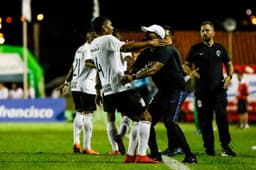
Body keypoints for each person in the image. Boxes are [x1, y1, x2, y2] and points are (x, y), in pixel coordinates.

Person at [90, 16, 165, 163]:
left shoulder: (94, 43)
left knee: (137, 120)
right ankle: (141, 155)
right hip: (120, 88)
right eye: (110, 25)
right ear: (104, 28)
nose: (112, 27)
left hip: (108, 91)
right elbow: (126, 48)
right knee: (146, 118)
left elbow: (114, 55)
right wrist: (150, 42)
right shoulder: (108, 38)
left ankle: (131, 155)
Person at [121, 24, 197, 163]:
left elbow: (153, 70)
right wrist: (127, 71)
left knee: (170, 122)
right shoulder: (146, 53)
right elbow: (133, 69)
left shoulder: (166, 50)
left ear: (158, 36)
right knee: (147, 120)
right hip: (163, 91)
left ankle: (190, 155)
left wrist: (133, 77)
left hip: (177, 90)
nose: (145, 35)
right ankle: (155, 155)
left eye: (149, 33)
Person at [182, 20, 236, 157]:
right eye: (202, 31)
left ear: (213, 32)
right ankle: (209, 149)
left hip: (218, 91)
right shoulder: (195, 49)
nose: (204, 33)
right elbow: (185, 65)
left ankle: (226, 147)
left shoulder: (220, 48)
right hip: (202, 92)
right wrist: (190, 72)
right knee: (205, 122)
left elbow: (229, 63)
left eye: (207, 30)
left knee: (222, 117)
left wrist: (229, 76)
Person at [57, 30, 99, 155]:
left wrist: (66, 83)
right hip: (87, 84)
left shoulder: (79, 49)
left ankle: (76, 142)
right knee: (88, 114)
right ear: (89, 37)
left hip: (75, 84)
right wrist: (101, 65)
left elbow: (73, 67)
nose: (97, 39)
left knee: (79, 112)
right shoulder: (89, 49)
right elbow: (88, 62)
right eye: (95, 36)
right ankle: (87, 147)